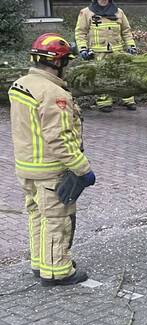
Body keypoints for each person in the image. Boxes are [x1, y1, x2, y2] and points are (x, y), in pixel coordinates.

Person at [9, 34, 96, 285]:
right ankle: (57, 271)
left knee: (37, 216)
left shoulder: (20, 84)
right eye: (66, 61)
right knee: (57, 220)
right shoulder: (53, 93)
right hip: (50, 170)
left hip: (26, 166)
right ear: (58, 63)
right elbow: (59, 138)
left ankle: (41, 262)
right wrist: (82, 168)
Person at [75, 0, 138, 112]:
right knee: (101, 78)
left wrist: (131, 46)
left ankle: (128, 100)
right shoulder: (86, 13)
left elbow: (126, 31)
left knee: (123, 76)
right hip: (98, 53)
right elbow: (80, 33)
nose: (103, 0)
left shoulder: (119, 12)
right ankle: (104, 103)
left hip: (117, 52)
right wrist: (83, 49)